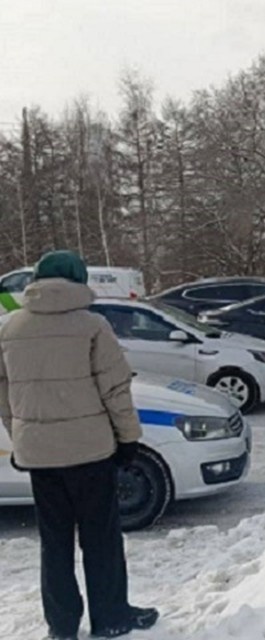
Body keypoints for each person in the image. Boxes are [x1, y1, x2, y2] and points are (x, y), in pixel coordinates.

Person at [0, 251, 158, 640]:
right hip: (89, 452)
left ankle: (62, 626)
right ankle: (111, 618)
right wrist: (129, 438)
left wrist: (20, 433)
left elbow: (4, 392)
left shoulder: (9, 327)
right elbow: (115, 389)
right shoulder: (92, 325)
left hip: (38, 455)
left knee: (53, 544)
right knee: (101, 539)